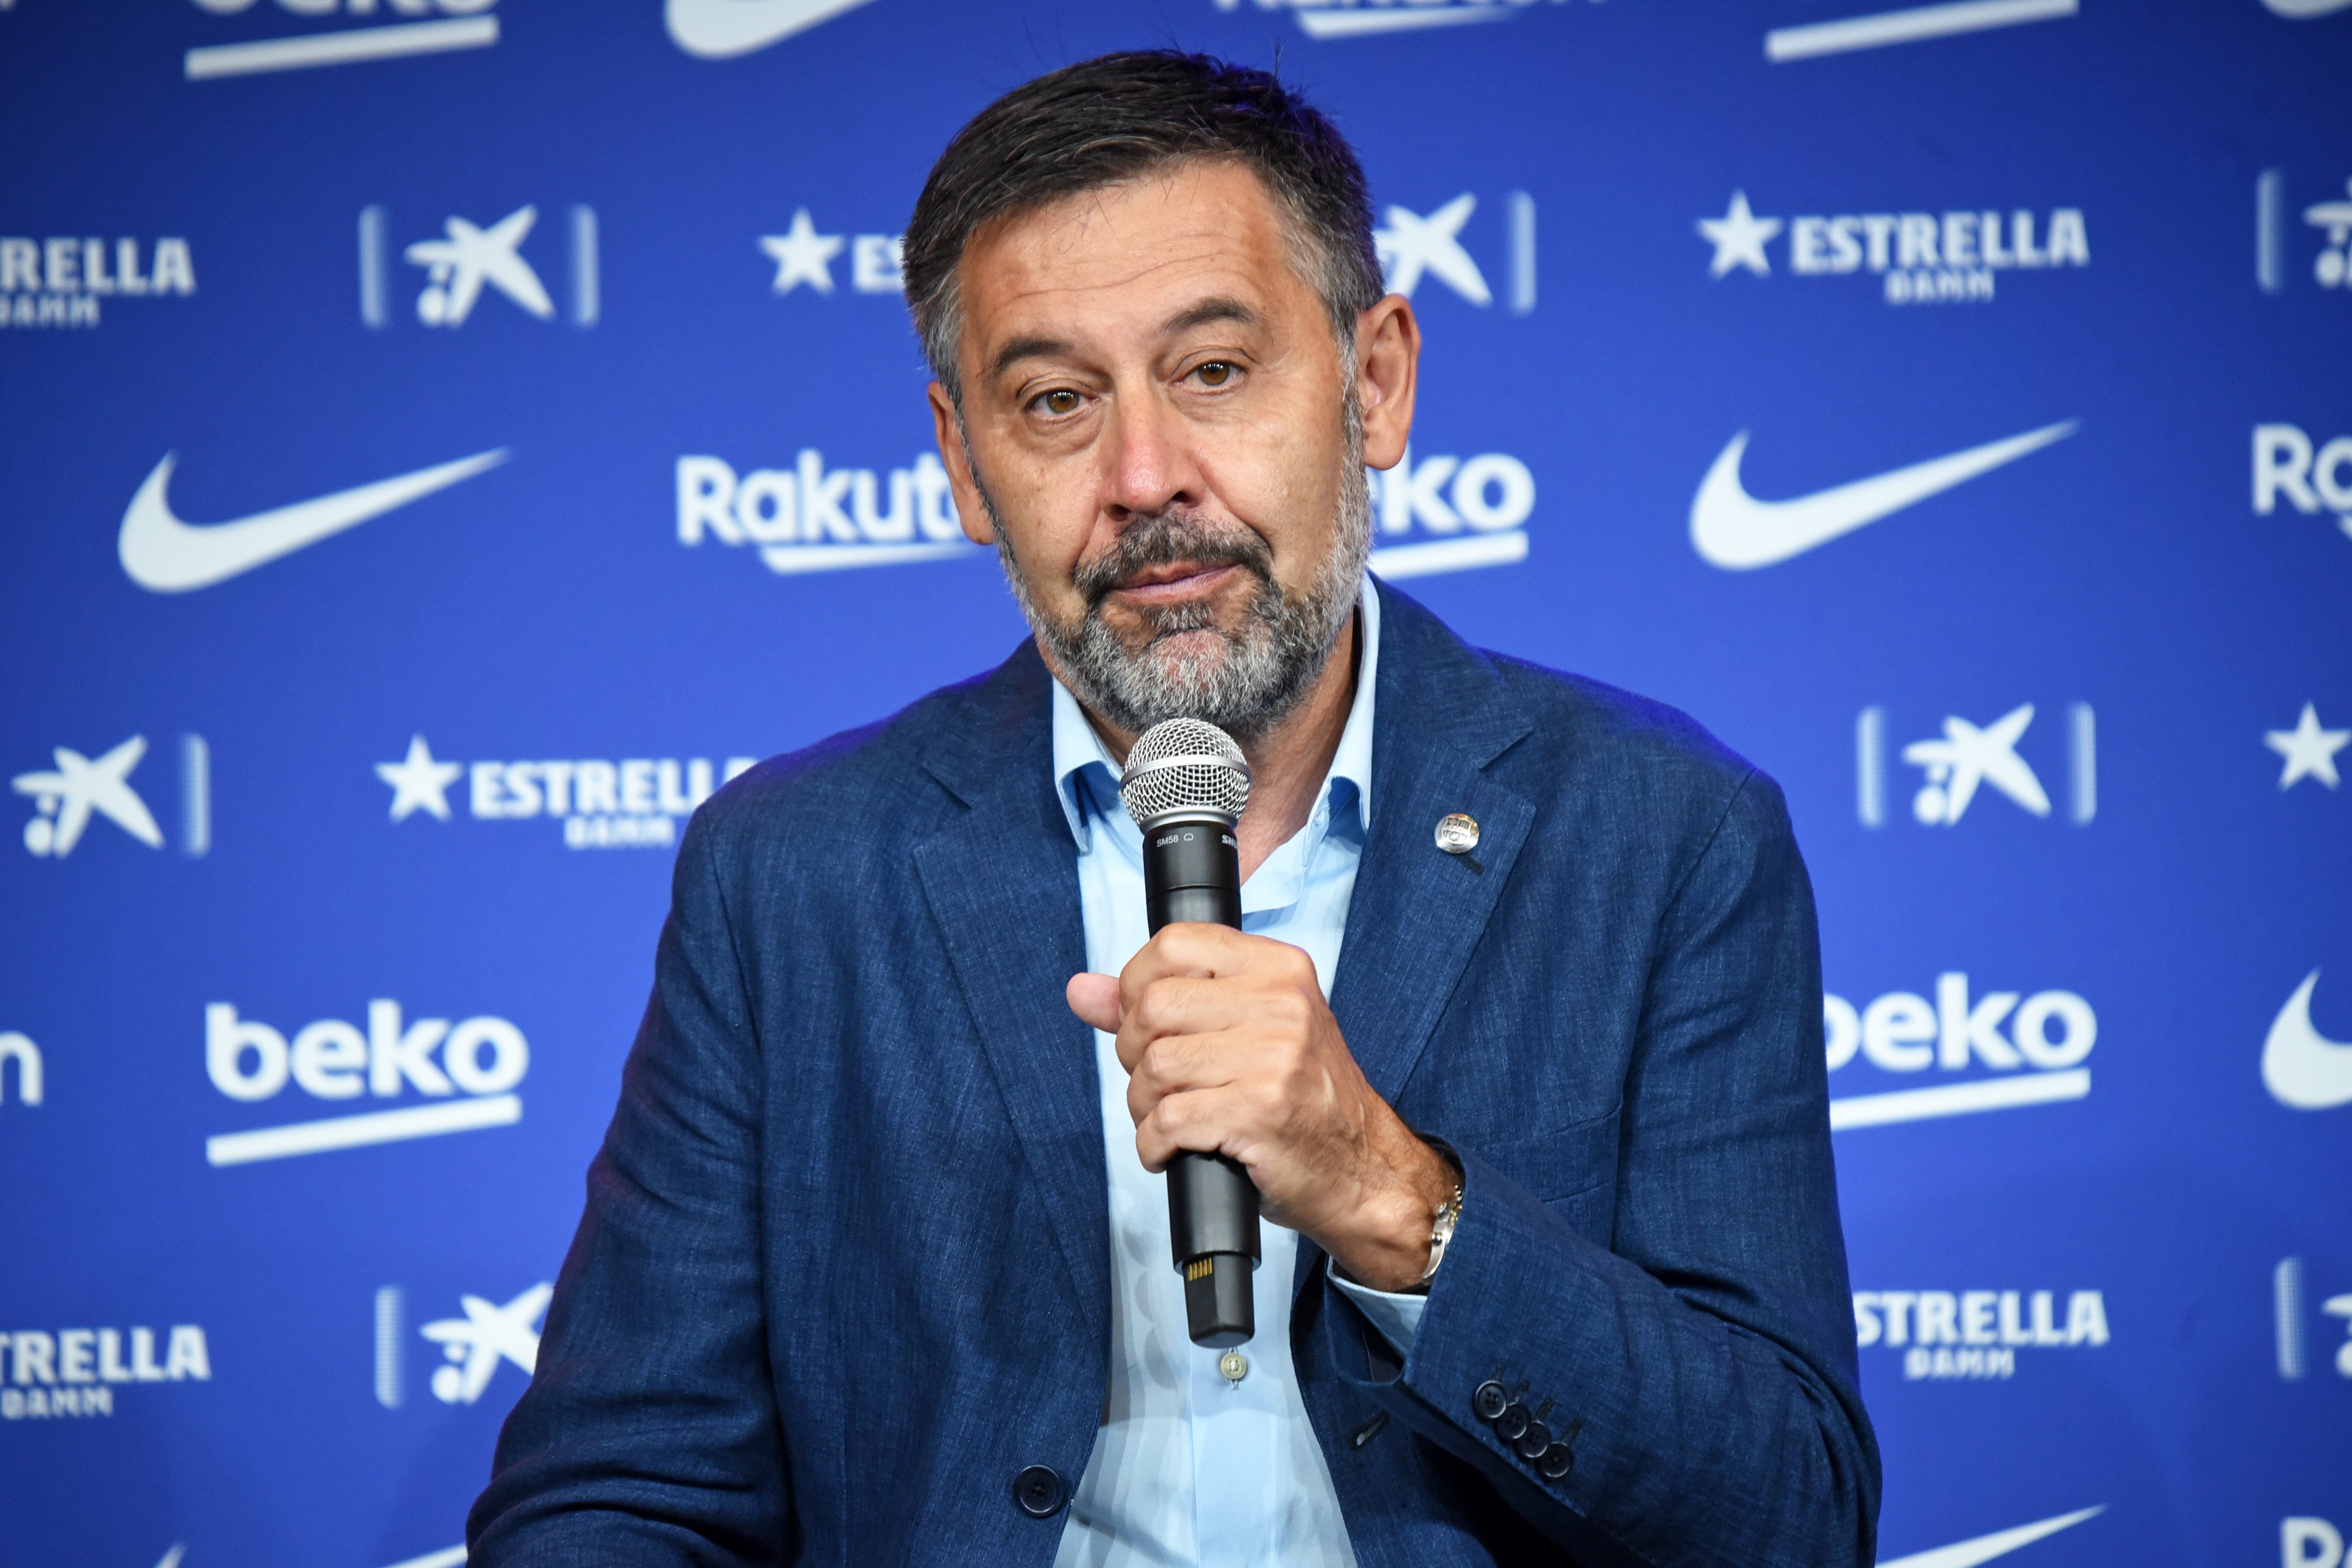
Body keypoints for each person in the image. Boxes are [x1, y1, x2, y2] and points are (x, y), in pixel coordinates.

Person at [469, 50, 1879, 1567]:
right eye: (1058, 401)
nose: (1145, 478)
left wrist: (1392, 1195)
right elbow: (615, 1495)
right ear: (962, 461)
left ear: (1376, 381)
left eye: (1214, 371)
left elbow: (1789, 1513)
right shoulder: (799, 872)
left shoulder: (1662, 836)